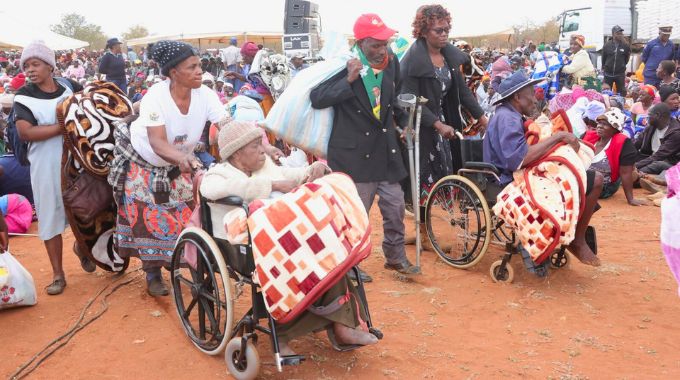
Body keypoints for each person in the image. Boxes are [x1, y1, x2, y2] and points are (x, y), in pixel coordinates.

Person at [201, 120, 377, 354]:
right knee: (292, 259)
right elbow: (211, 190)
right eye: (255, 146)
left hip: (285, 239)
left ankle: (342, 325)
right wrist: (271, 185)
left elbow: (289, 174)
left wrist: (310, 171)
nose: (263, 149)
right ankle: (283, 337)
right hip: (246, 247)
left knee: (331, 250)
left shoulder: (265, 166)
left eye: (261, 143)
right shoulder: (218, 174)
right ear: (236, 153)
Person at [110, 40, 227, 296]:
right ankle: (152, 274)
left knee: (187, 216)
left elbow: (226, 123)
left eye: (200, 65)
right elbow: (157, 143)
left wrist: (254, 142)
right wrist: (186, 160)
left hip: (181, 163)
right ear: (174, 72)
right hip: (146, 164)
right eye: (193, 67)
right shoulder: (155, 96)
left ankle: (192, 267)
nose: (200, 71)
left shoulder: (205, 94)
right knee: (145, 218)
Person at [310, 13, 419, 277]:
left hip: (385, 150)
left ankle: (394, 256)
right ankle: (348, 265)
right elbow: (317, 98)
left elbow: (394, 101)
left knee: (395, 208)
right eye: (376, 45)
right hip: (354, 155)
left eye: (385, 43)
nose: (382, 49)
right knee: (355, 215)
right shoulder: (341, 64)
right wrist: (348, 80)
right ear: (361, 42)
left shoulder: (390, 63)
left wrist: (404, 124)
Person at [483, 71, 603, 266]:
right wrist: (558, 137)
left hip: (517, 173)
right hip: (507, 180)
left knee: (589, 179)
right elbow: (518, 160)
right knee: (592, 180)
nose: (535, 97)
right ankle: (573, 239)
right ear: (517, 97)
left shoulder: (511, 115)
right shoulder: (508, 118)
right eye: (531, 92)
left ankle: (574, 237)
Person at [399, 4, 486, 242]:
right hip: (420, 127)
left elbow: (462, 92)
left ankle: (424, 232)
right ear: (424, 31)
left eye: (446, 29)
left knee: (440, 178)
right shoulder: (412, 62)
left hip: (445, 126)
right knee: (422, 180)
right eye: (438, 30)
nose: (444, 34)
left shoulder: (449, 57)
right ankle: (423, 234)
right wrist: (436, 124)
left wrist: (480, 115)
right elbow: (409, 100)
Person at [13, 40, 93, 295]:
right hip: (45, 164)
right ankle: (58, 274)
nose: (30, 69)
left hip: (77, 159)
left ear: (50, 65)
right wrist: (62, 127)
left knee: (85, 208)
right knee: (49, 214)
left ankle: (83, 248)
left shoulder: (69, 87)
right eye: (26, 65)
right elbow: (26, 132)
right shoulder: (24, 96)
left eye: (35, 63)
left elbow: (87, 107)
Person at [583, 108, 644, 204]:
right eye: (599, 123)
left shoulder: (623, 144)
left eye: (605, 124)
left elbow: (625, 173)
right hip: (584, 179)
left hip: (604, 185)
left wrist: (630, 199)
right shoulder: (590, 137)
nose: (599, 126)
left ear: (615, 128)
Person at [634, 103, 680, 175]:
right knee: (629, 158)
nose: (647, 118)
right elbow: (636, 144)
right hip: (650, 158)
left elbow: (658, 156)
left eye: (649, 115)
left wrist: (634, 166)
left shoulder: (676, 133)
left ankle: (635, 176)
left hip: (669, 164)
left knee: (658, 165)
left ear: (657, 115)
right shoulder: (651, 127)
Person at [602, 25, 630, 96]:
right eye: (618, 33)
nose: (620, 35)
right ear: (613, 34)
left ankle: (620, 106)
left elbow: (627, 59)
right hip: (608, 74)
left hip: (620, 74)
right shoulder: (607, 45)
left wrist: (621, 65)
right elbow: (604, 58)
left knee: (621, 93)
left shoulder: (626, 46)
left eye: (621, 33)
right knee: (606, 93)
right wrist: (605, 67)